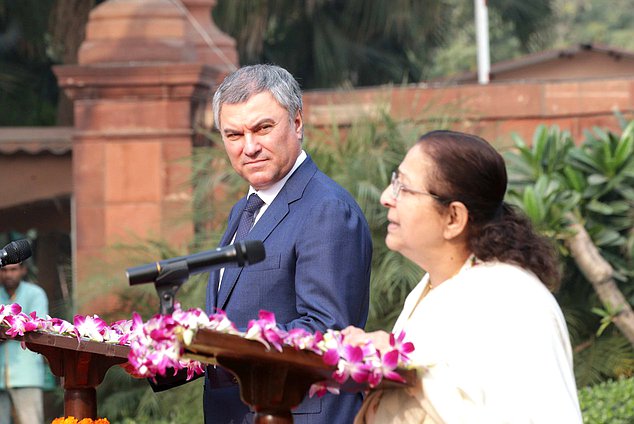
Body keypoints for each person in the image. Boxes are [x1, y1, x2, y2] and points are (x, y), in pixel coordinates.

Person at [343, 130, 582, 423]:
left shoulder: (515, 300)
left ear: (454, 218)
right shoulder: (431, 288)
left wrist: (398, 361)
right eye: (395, 182)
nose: (386, 198)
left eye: (404, 188)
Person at [199, 64, 373, 423]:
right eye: (233, 135)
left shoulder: (327, 209)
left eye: (263, 128)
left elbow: (326, 330)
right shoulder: (244, 209)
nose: (249, 147)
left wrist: (226, 346)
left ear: (296, 122)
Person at [0, 262, 49, 424]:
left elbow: (37, 327)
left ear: (23, 270)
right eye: (4, 270)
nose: (8, 274)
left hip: (26, 374)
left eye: (13, 269)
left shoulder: (35, 294)